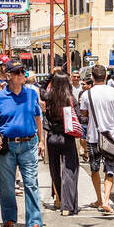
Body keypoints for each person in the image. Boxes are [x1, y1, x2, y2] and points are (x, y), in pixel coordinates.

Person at [0, 62, 47, 227]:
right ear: (10, 75)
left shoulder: (31, 95)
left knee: (31, 184)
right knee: (6, 186)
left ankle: (34, 222)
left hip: (29, 144)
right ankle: (9, 218)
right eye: (18, 72)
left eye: (23, 72)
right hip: (8, 146)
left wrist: (41, 141)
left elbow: (37, 118)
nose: (22, 74)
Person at [82, 63, 114, 214]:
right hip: (111, 136)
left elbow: (84, 114)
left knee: (94, 169)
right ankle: (106, 200)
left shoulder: (87, 94)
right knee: (110, 169)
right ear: (106, 77)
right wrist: (110, 124)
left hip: (93, 137)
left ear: (92, 77)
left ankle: (99, 199)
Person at [44, 71, 81, 217]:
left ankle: (59, 197)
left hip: (52, 137)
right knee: (70, 171)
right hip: (67, 137)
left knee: (55, 170)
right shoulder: (70, 99)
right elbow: (78, 117)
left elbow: (42, 89)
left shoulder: (49, 98)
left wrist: (50, 76)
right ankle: (67, 206)